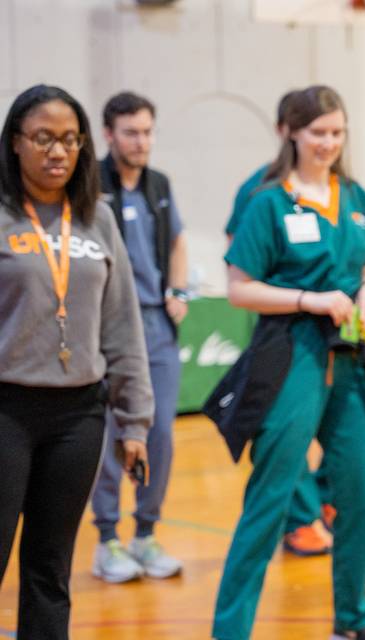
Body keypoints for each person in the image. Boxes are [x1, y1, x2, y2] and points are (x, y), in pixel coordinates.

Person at [213, 85, 365, 640]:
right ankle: (230, 630)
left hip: (354, 358)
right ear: (290, 131)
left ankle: (354, 620)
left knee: (362, 496)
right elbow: (239, 289)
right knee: (270, 499)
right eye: (318, 132)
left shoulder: (354, 195)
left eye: (337, 132)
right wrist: (308, 300)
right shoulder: (268, 201)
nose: (329, 143)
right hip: (292, 354)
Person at [0, 84, 153, 638]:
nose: (58, 151)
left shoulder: (97, 219)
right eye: (43, 138)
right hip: (6, 410)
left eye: (69, 139)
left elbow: (122, 326)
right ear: (15, 143)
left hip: (77, 416)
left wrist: (134, 421)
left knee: (50, 568)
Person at [90, 91, 187, 583]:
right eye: (131, 132)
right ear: (109, 134)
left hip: (155, 323)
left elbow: (176, 241)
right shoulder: (91, 185)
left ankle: (145, 533)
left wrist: (179, 289)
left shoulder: (160, 184)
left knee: (160, 433)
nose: (141, 141)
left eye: (147, 131)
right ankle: (107, 539)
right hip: (104, 328)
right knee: (110, 433)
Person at [224, 88, 298, 240]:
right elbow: (235, 244)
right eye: (296, 128)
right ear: (279, 129)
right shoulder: (256, 187)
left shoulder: (345, 189)